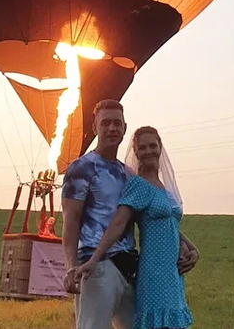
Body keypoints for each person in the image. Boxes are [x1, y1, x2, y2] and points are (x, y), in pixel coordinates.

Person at [61, 103, 199, 329]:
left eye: (117, 123)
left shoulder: (128, 174)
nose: (112, 128)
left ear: (125, 128)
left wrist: (186, 246)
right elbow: (70, 221)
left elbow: (154, 218)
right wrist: (70, 266)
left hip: (129, 269)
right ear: (94, 127)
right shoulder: (81, 168)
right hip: (97, 267)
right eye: (106, 123)